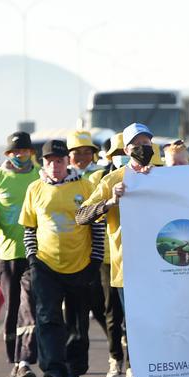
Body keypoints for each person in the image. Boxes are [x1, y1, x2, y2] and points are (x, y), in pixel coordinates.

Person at [77, 122, 188, 377]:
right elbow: (81, 216)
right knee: (141, 339)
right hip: (130, 274)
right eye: (137, 143)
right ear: (125, 150)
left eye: (148, 141)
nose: (144, 147)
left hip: (168, 270)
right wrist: (110, 201)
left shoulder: (167, 176)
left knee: (169, 333)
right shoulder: (113, 179)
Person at [20, 139, 105, 377]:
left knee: (78, 323)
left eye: (59, 161)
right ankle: (54, 370)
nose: (54, 166)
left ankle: (74, 372)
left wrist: (95, 261)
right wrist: (32, 258)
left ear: (67, 161)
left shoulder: (85, 186)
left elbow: (97, 226)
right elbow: (29, 229)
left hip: (81, 264)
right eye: (49, 161)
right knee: (47, 318)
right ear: (42, 163)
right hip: (46, 265)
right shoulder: (35, 189)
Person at [0, 131, 41, 377]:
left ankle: (26, 361)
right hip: (6, 254)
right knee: (13, 307)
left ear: (31, 153)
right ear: (8, 154)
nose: (19, 155)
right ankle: (15, 362)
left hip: (36, 253)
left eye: (23, 151)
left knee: (30, 308)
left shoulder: (42, 175)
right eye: (14, 152)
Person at [89, 132, 128, 377]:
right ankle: (115, 358)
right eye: (118, 154)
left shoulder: (152, 177)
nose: (122, 158)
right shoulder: (101, 179)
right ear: (110, 157)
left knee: (137, 318)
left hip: (142, 260)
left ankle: (136, 364)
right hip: (108, 256)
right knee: (112, 312)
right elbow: (84, 215)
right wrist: (110, 202)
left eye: (126, 153)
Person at [67, 130, 109, 344]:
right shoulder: (58, 178)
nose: (82, 157)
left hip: (96, 250)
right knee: (72, 314)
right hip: (69, 252)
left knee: (101, 307)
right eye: (77, 153)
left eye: (87, 152)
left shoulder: (102, 175)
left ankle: (118, 348)